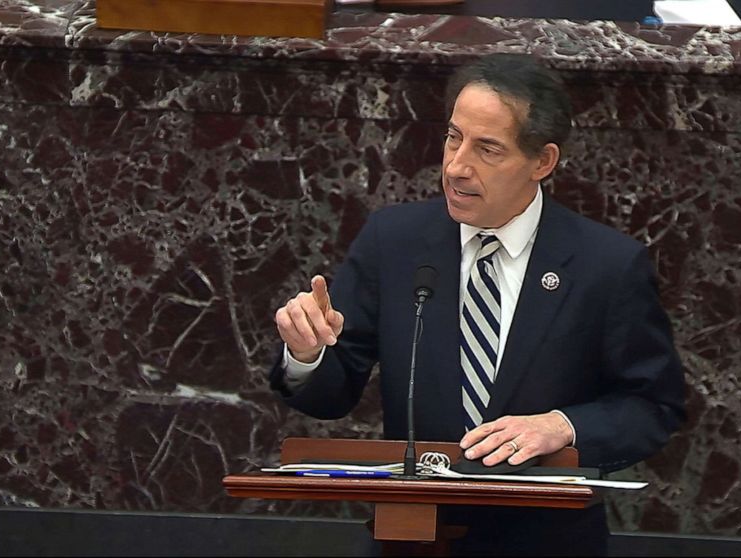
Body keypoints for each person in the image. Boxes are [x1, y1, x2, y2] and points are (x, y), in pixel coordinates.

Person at [270, 53, 686, 556]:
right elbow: (331, 395)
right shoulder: (395, 242)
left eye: (487, 149)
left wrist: (563, 426)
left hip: (547, 542)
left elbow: (652, 405)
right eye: (453, 137)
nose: (456, 166)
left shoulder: (607, 265)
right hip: (415, 538)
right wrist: (307, 356)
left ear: (543, 161)